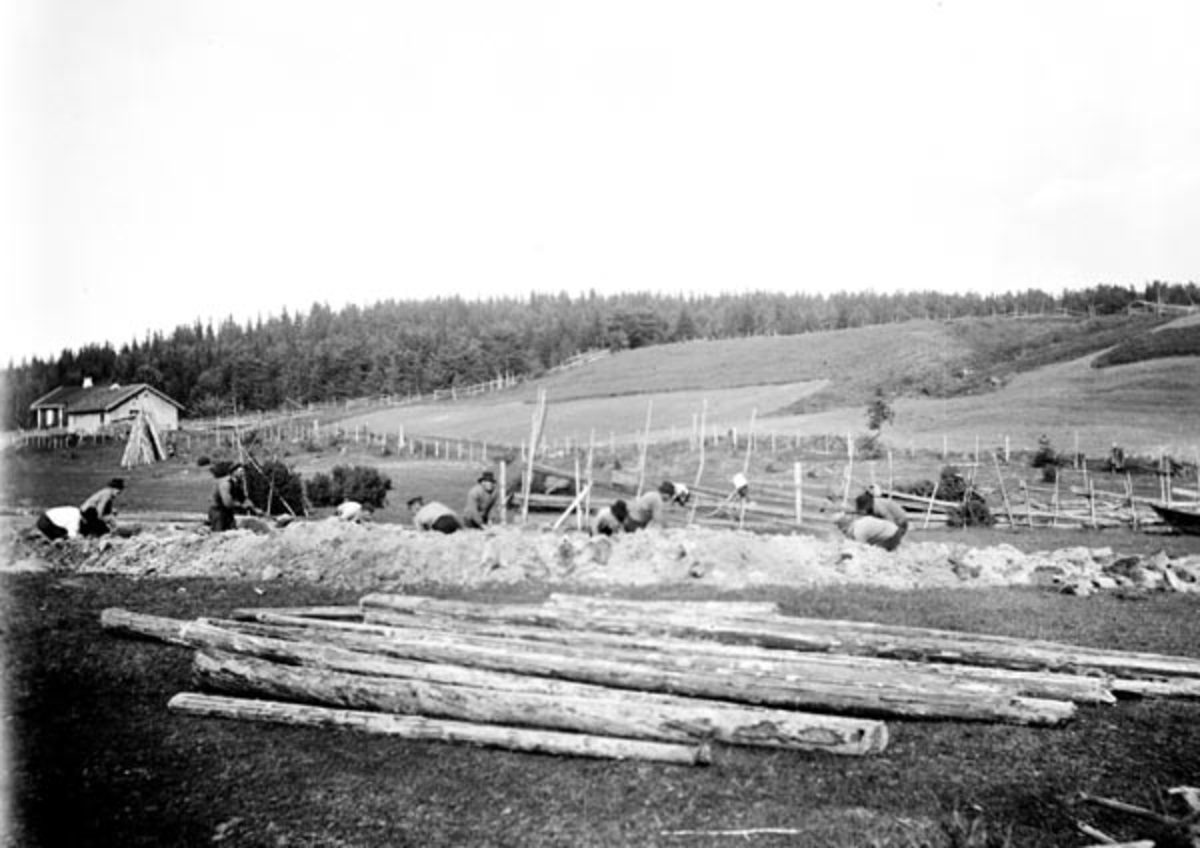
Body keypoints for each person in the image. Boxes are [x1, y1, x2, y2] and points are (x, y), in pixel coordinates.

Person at [208, 464, 263, 532]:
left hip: (228, 512)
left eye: (244, 472)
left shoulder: (237, 485)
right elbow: (228, 503)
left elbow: (244, 498)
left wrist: (255, 509)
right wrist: (242, 506)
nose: (243, 474)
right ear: (234, 472)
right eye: (241, 471)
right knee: (219, 533)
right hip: (218, 512)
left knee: (232, 531)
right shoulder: (226, 484)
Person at [624, 481, 690, 532]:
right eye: (670, 496)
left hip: (630, 519)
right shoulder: (657, 499)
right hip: (634, 524)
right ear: (666, 494)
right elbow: (658, 518)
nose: (669, 499)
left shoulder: (652, 494)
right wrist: (667, 528)